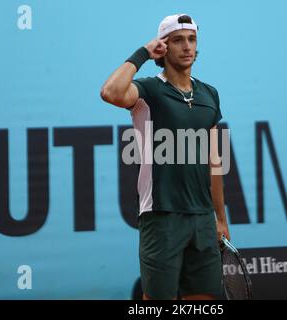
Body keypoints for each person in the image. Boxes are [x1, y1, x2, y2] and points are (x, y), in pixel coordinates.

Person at [101, 13, 230, 300]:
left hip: (202, 219)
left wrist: (220, 218)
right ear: (164, 46)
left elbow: (215, 161)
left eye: (192, 40)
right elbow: (110, 92)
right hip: (161, 217)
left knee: (204, 301)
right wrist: (143, 53)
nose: (187, 47)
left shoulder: (210, 94)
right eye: (178, 40)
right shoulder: (148, 90)